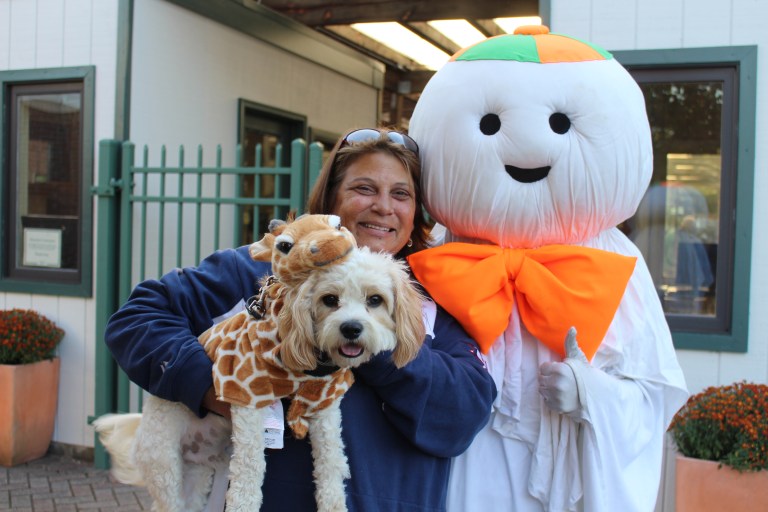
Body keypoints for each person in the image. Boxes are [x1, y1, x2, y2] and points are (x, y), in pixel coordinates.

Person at [104, 127, 497, 511]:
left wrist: (370, 336)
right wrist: (217, 387)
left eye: (401, 194)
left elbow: (463, 414)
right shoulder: (264, 270)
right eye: (364, 188)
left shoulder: (433, 299)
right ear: (330, 199)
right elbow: (137, 319)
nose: (383, 206)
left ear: (416, 213)